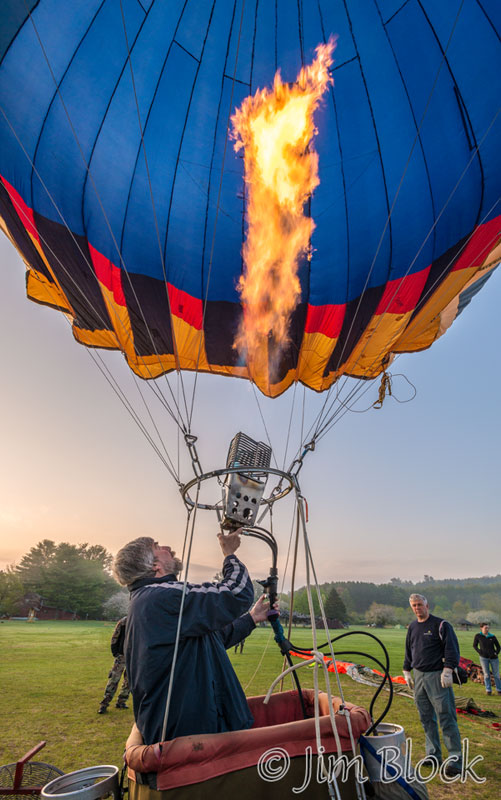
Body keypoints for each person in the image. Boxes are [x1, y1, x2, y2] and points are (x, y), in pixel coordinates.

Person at [112, 531, 273, 745]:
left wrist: (252, 618)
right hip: (195, 734)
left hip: (187, 732)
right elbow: (236, 593)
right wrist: (229, 554)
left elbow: (211, 641)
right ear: (154, 566)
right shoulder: (162, 595)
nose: (167, 548)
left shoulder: (147, 600)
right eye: (158, 546)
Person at [403, 593, 462, 777]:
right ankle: (433, 755)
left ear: (427, 605)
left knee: (446, 716)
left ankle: (455, 759)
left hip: (438, 676)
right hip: (419, 676)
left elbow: (452, 649)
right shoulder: (412, 627)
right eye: (413, 605)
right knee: (426, 717)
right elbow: (409, 650)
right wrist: (406, 670)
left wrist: (448, 670)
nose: (417, 608)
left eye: (420, 604)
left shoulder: (442, 625)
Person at [98, 615, 130, 714]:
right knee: (113, 679)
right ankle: (104, 704)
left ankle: (121, 701)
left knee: (129, 681)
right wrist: (115, 651)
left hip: (134, 656)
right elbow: (115, 636)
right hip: (121, 655)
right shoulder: (124, 621)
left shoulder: (141, 621)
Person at [473, 622, 501, 695]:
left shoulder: (492, 636)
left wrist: (496, 653)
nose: (487, 629)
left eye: (488, 628)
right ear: (481, 628)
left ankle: (499, 690)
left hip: (494, 659)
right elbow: (474, 645)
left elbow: (498, 647)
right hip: (483, 658)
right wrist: (480, 652)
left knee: (496, 675)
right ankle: (488, 690)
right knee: (486, 674)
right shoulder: (478, 636)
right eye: (485, 628)